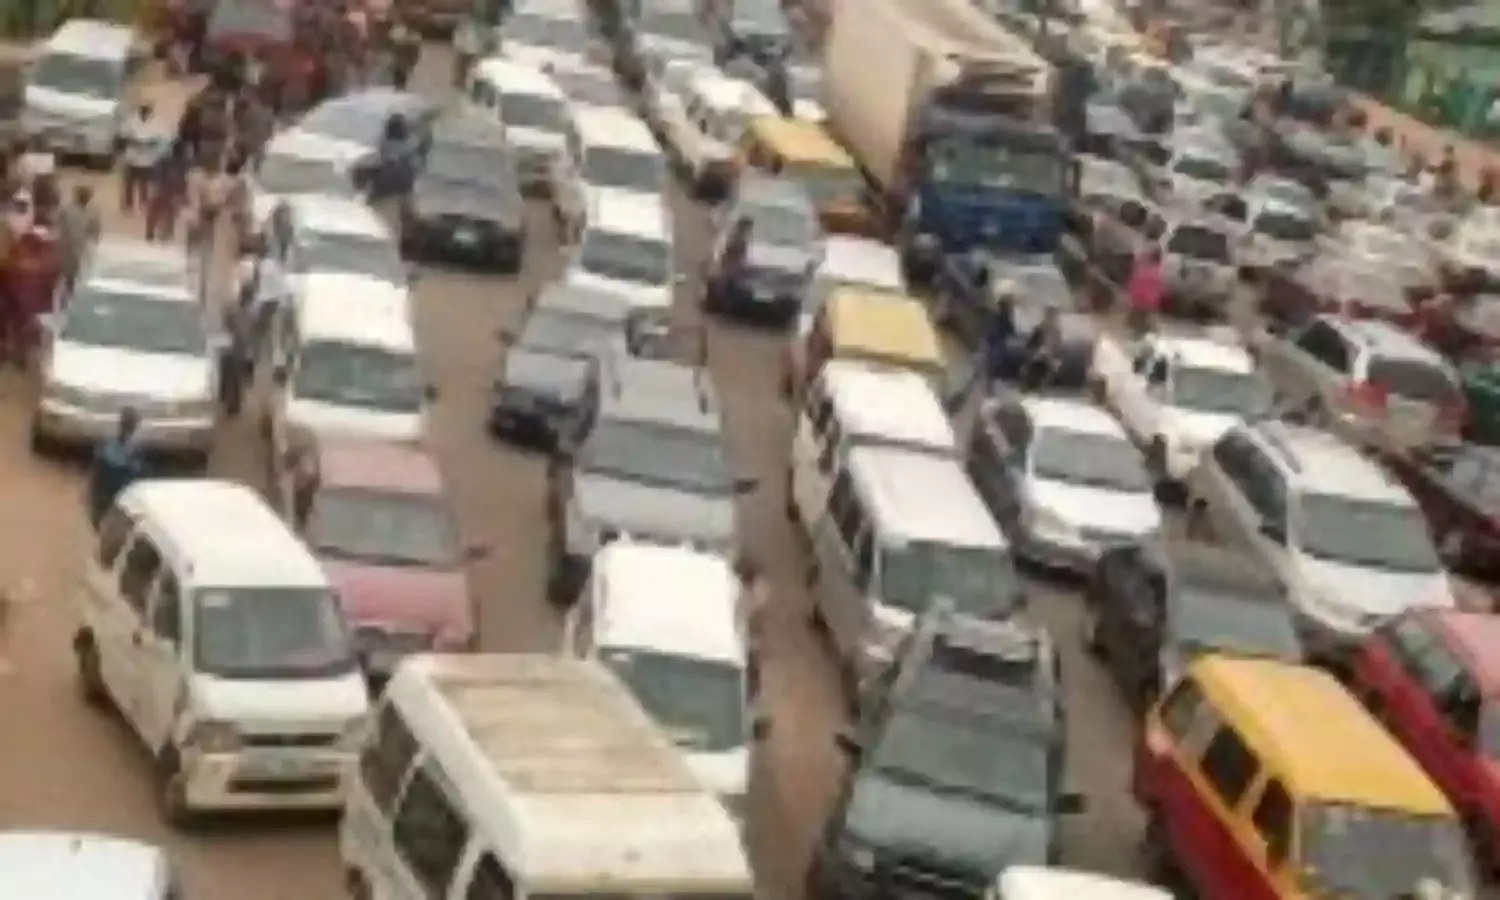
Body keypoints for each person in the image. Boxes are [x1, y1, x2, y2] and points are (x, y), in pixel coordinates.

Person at [87, 408, 144, 527]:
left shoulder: (108, 445)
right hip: (115, 495)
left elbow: (96, 475)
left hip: (110, 495)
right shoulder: (133, 450)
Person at [120, 103, 164, 213]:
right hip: (132, 157)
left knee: (144, 184)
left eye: (147, 111)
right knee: (130, 183)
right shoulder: (131, 121)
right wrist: (134, 142)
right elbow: (123, 137)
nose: (145, 114)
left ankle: (143, 203)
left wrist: (148, 144)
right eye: (143, 111)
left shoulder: (155, 123)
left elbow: (158, 140)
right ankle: (128, 205)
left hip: (147, 159)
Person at [58, 185, 100, 291]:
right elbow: (59, 224)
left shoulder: (91, 212)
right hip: (68, 242)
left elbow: (94, 227)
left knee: (75, 266)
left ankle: (70, 285)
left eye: (87, 197)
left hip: (79, 243)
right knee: (68, 266)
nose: (86, 199)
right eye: (84, 196)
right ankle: (68, 284)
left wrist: (94, 238)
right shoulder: (68, 210)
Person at [1125, 246, 1164, 335]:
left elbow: (1133, 283)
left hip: (1139, 301)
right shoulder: (1157, 271)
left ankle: (1138, 334)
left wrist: (1130, 294)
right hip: (1148, 302)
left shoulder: (1142, 268)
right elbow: (1159, 287)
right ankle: (1150, 333)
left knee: (1137, 322)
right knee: (1148, 321)